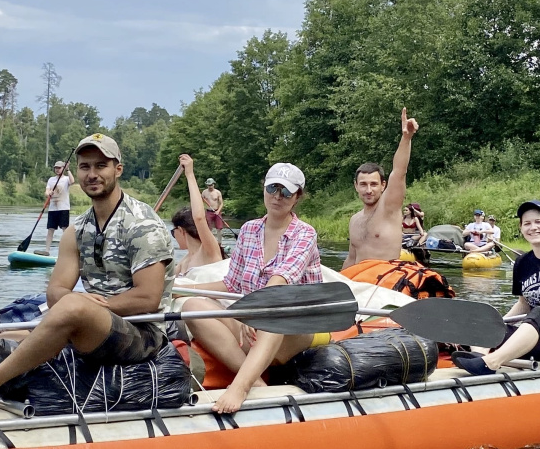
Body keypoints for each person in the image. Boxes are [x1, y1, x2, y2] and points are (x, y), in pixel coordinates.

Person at [0, 133, 175, 412]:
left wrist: (87, 307)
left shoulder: (143, 225)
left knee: (72, 304)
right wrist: (78, 308)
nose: (92, 174)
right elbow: (56, 291)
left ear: (117, 169)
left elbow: (148, 299)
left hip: (142, 333)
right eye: (85, 167)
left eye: (100, 166)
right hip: (85, 324)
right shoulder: (77, 229)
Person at [180, 162, 322, 415]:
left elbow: (281, 280)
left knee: (275, 311)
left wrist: (252, 309)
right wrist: (185, 290)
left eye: (286, 192)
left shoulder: (305, 234)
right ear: (264, 189)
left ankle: (240, 387)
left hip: (292, 326)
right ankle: (257, 383)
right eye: (273, 188)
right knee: (193, 307)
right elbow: (231, 284)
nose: (278, 196)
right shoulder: (248, 230)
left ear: (297, 196)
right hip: (252, 322)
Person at [452, 199, 540, 374]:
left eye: (538, 222)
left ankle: (491, 363)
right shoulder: (522, 263)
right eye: (527, 223)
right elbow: (523, 304)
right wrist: (497, 324)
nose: (532, 227)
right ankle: (477, 356)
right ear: (521, 228)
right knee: (487, 320)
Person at [344, 107, 418, 268]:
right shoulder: (354, 220)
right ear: (356, 186)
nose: (368, 190)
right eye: (363, 184)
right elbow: (351, 259)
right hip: (358, 284)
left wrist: (406, 138)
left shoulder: (389, 208)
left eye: (374, 184)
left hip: (383, 284)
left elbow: (399, 172)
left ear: (383, 185)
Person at [170, 153, 225, 279]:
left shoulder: (208, 250)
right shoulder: (185, 260)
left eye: (173, 233)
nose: (174, 238)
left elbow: (199, 218)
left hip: (206, 298)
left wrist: (190, 174)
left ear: (180, 230)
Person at [41, 159, 73, 254]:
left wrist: (68, 170)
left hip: (63, 208)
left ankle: (67, 251)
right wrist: (48, 193)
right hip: (53, 209)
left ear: (63, 168)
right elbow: (46, 192)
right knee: (50, 230)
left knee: (65, 230)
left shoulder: (66, 179)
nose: (57, 170)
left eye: (59, 168)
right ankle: (47, 250)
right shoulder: (51, 179)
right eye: (56, 168)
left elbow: (72, 181)